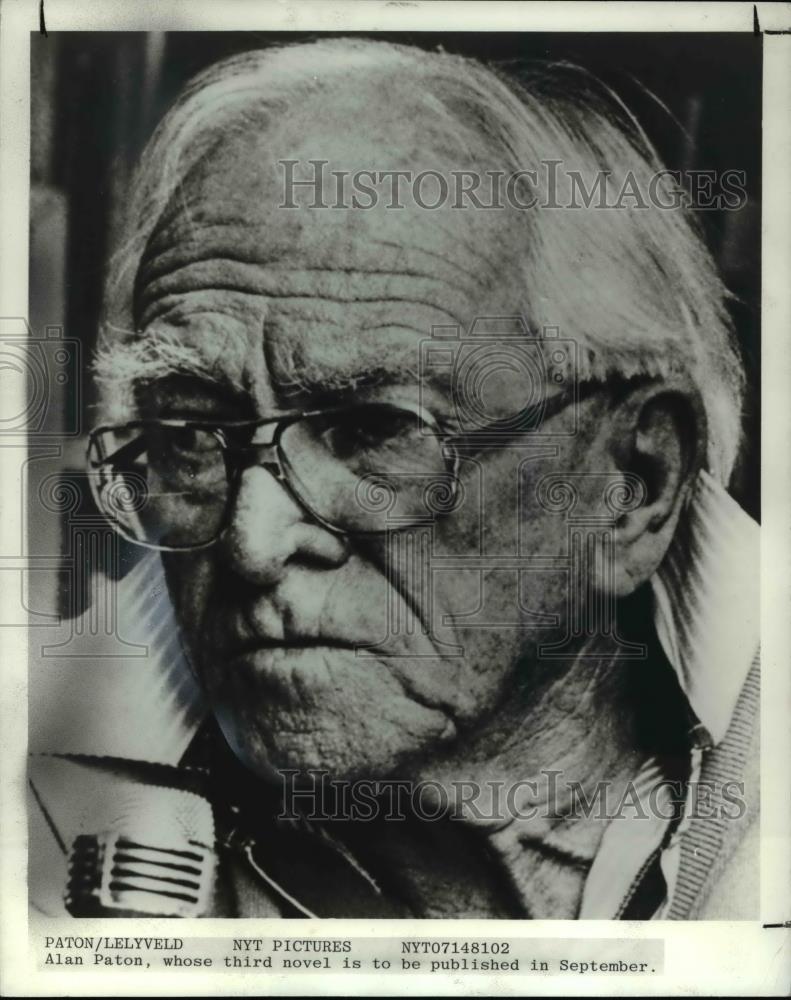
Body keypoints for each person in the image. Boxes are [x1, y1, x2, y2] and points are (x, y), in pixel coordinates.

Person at [28, 37, 759, 920]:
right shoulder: (28, 764)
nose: (252, 544)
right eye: (193, 430)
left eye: (375, 430)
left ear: (631, 485)